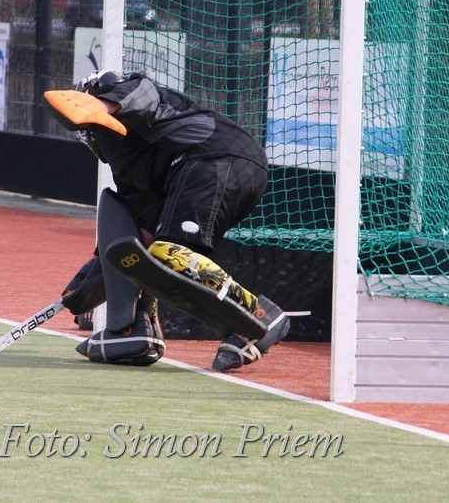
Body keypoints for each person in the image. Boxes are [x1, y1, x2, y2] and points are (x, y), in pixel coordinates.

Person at [54, 70, 290, 372]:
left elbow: (139, 95)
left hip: (212, 158)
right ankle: (136, 331)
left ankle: (259, 315)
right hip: (218, 169)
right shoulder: (131, 163)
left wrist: (102, 105)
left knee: (168, 255)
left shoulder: (131, 91)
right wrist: (96, 276)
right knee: (153, 256)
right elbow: (136, 239)